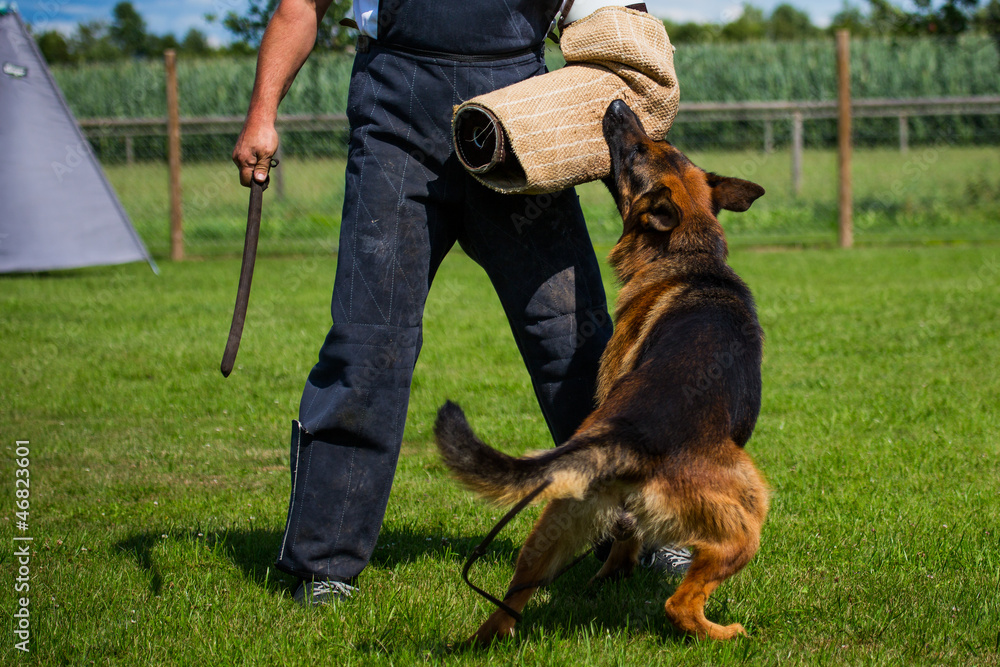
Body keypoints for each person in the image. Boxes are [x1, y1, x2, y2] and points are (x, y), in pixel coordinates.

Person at [233, 0, 683, 607]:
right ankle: (324, 564)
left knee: (575, 338)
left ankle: (643, 532)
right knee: (368, 343)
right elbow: (300, 6)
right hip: (395, 122)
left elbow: (607, 19)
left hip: (518, 123)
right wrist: (262, 113)